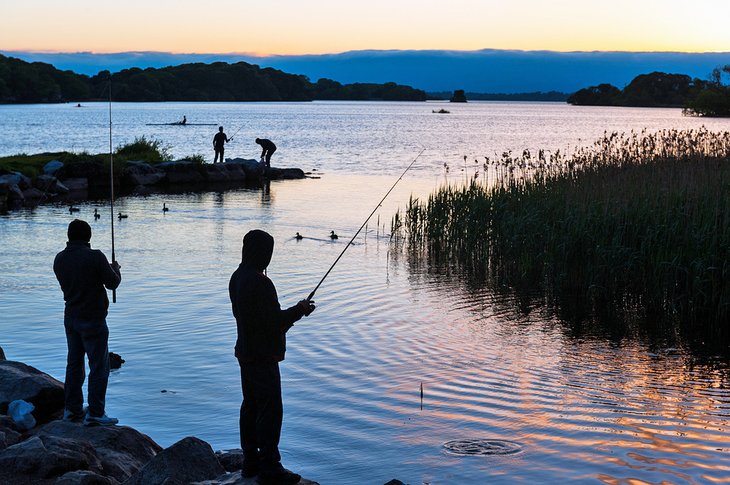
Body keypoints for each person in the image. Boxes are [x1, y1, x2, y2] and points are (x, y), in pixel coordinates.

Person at [229, 229, 315, 484]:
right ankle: (270, 467)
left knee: (250, 406)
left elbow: (262, 320)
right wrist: (300, 310)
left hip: (245, 352)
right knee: (270, 410)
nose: (269, 258)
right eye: (268, 252)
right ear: (260, 253)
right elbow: (274, 323)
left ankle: (250, 462)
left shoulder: (237, 277)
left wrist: (293, 314)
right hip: (262, 357)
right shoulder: (260, 282)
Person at [53, 219, 121, 426]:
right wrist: (115, 268)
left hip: (71, 318)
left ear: (69, 236)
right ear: (88, 237)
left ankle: (71, 410)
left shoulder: (59, 259)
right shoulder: (95, 257)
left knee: (74, 365)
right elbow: (113, 283)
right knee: (99, 366)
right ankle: (96, 413)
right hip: (93, 319)